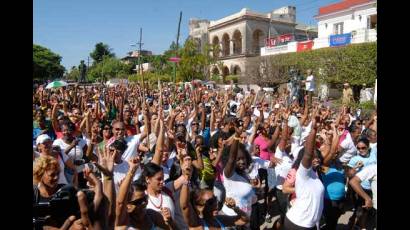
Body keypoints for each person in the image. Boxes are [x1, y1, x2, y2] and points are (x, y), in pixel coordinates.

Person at [284, 111, 324, 230]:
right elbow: (308, 153)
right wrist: (314, 130)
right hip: (298, 223)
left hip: (309, 224)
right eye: (313, 157)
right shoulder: (303, 173)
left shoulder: (315, 173)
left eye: (318, 157)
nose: (316, 159)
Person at [349, 164, 377, 229]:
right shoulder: (373, 168)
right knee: (360, 212)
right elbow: (353, 181)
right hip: (375, 207)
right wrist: (367, 198)